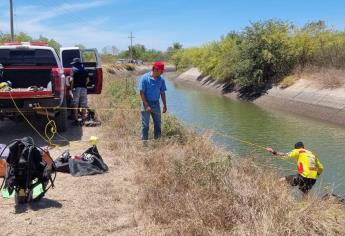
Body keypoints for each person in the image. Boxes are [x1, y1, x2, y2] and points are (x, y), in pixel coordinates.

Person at [138, 61, 167, 141]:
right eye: (161, 71)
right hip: (145, 103)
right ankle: (144, 143)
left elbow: (162, 92)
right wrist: (146, 105)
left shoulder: (161, 80)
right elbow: (141, 92)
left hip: (156, 104)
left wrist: (164, 105)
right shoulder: (145, 78)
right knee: (145, 125)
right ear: (156, 69)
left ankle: (157, 141)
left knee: (157, 124)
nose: (162, 73)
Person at [70, 58, 89, 125]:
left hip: (76, 88)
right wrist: (83, 85)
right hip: (84, 88)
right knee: (84, 104)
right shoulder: (84, 69)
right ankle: (83, 119)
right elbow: (87, 80)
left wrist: (71, 88)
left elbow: (72, 80)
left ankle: (76, 119)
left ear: (74, 63)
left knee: (76, 104)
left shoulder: (73, 69)